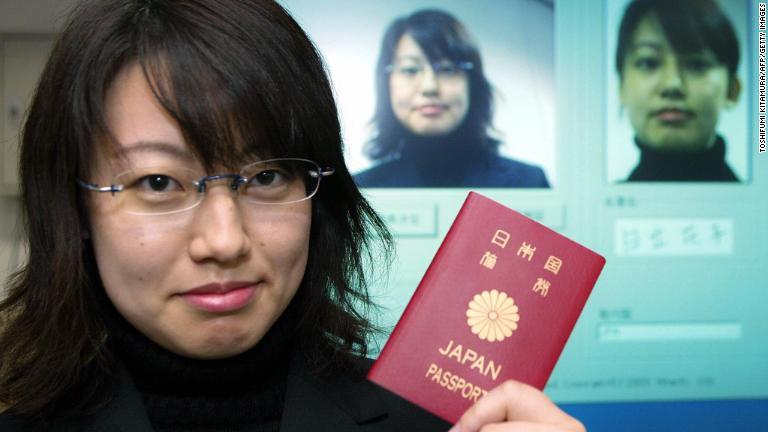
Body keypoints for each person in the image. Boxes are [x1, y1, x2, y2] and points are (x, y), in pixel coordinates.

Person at [0, 1, 583, 431]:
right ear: (76, 205)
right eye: (158, 182)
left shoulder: (437, 421)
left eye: (267, 177)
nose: (224, 241)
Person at [354, 9, 550, 188]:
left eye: (447, 69)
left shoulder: (527, 182)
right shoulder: (362, 189)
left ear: (473, 84)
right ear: (386, 83)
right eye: (410, 70)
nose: (429, 87)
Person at [616, 0, 742, 182]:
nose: (672, 85)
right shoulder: (590, 210)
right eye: (648, 63)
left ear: (732, 90)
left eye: (697, 64)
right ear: (621, 87)